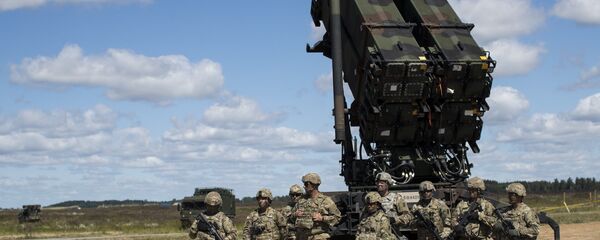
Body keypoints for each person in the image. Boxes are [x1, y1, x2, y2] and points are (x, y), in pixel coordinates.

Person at [291, 172, 341, 240]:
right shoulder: (301, 200)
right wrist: (295, 214)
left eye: (306, 184)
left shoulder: (326, 201)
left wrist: (322, 218)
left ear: (313, 185)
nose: (304, 186)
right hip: (301, 237)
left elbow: (337, 218)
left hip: (318, 237)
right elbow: (291, 218)